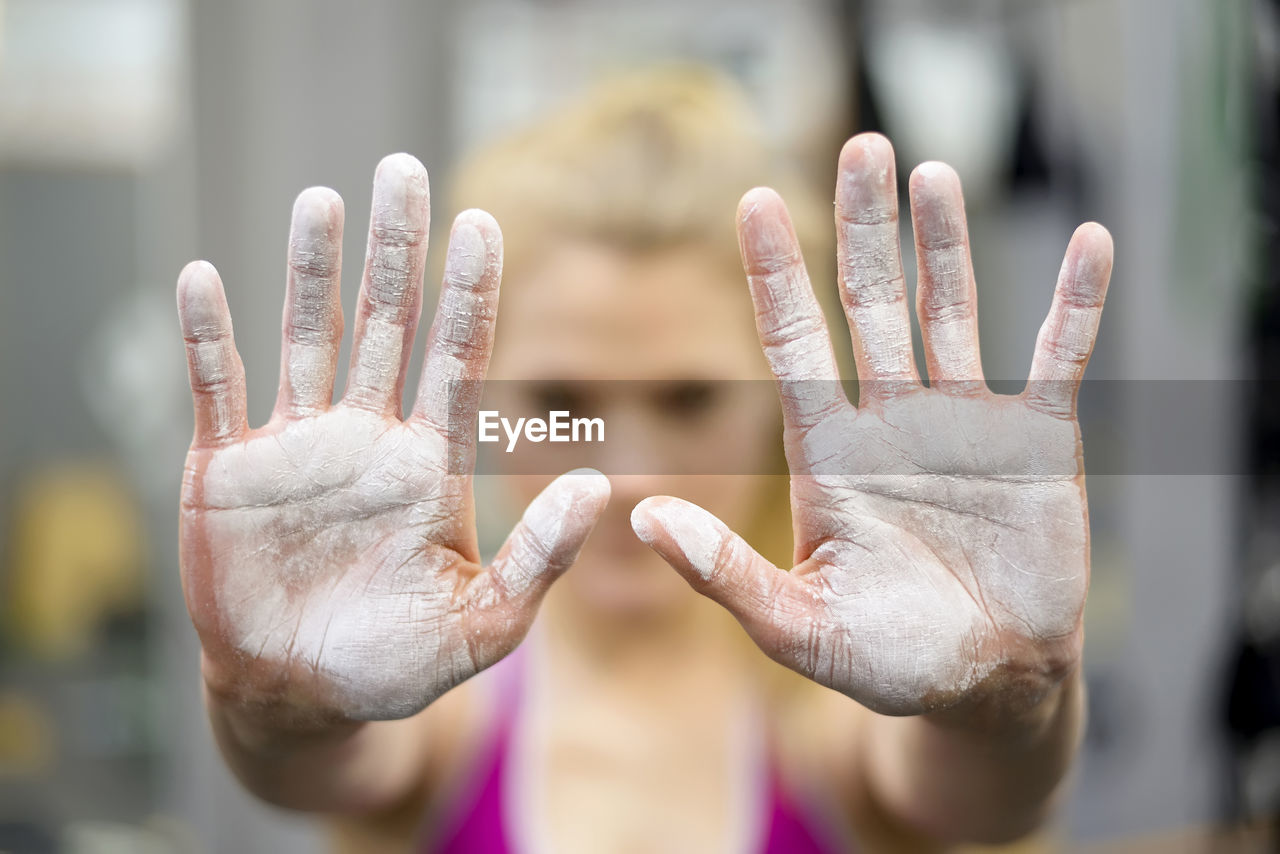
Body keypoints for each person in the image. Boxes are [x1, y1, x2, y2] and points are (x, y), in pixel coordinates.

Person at [175, 67, 1113, 852]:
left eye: (690, 399)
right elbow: (317, 767)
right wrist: (272, 702)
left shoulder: (843, 710)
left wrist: (1008, 701)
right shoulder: (447, 715)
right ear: (476, 402)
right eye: (559, 403)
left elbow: (984, 793)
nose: (624, 471)